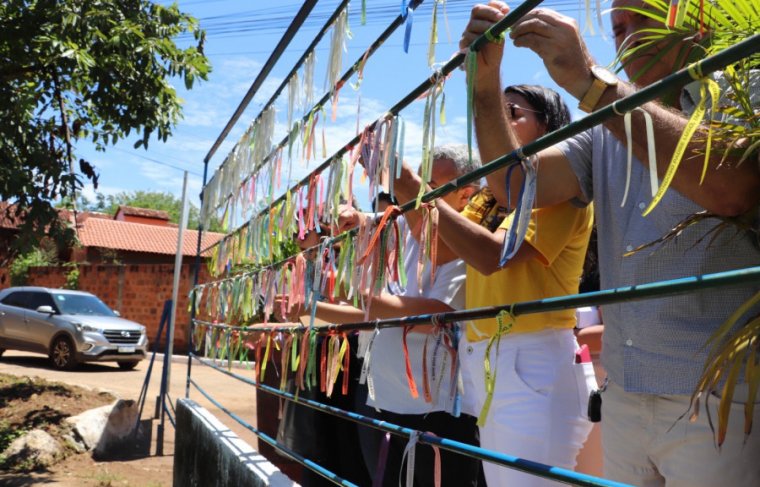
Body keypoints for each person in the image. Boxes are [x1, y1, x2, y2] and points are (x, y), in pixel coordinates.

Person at [461, 1, 760, 485]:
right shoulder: (607, 123)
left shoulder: (741, 84)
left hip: (719, 398)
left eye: (641, 18)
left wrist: (590, 84)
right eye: (617, 25)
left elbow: (732, 188)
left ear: (695, 16)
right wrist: (484, 84)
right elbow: (512, 184)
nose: (623, 34)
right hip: (623, 393)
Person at [392, 85, 595, 487]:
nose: (496, 123)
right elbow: (439, 251)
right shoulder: (489, 198)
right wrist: (406, 189)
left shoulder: (560, 190)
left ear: (548, 125)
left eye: (512, 113)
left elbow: (492, 256)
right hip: (490, 360)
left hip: (532, 359)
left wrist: (415, 192)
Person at [277, 145, 483, 487]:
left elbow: (438, 314)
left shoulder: (466, 239)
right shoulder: (408, 226)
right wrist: (355, 220)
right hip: (390, 401)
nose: (417, 193)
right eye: (418, 180)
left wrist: (362, 297)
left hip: (438, 411)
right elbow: (383, 223)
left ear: (466, 194)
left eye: (428, 184)